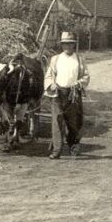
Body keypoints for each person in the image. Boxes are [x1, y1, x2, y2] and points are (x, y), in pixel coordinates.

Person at [44, 31, 90, 159]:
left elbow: (86, 76)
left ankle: (73, 147)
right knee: (57, 121)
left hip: (73, 94)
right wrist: (51, 84)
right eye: (65, 44)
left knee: (73, 122)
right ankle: (57, 150)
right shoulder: (55, 59)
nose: (67, 47)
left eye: (70, 44)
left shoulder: (80, 59)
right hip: (58, 94)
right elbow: (48, 75)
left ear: (73, 45)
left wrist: (78, 84)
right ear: (62, 45)